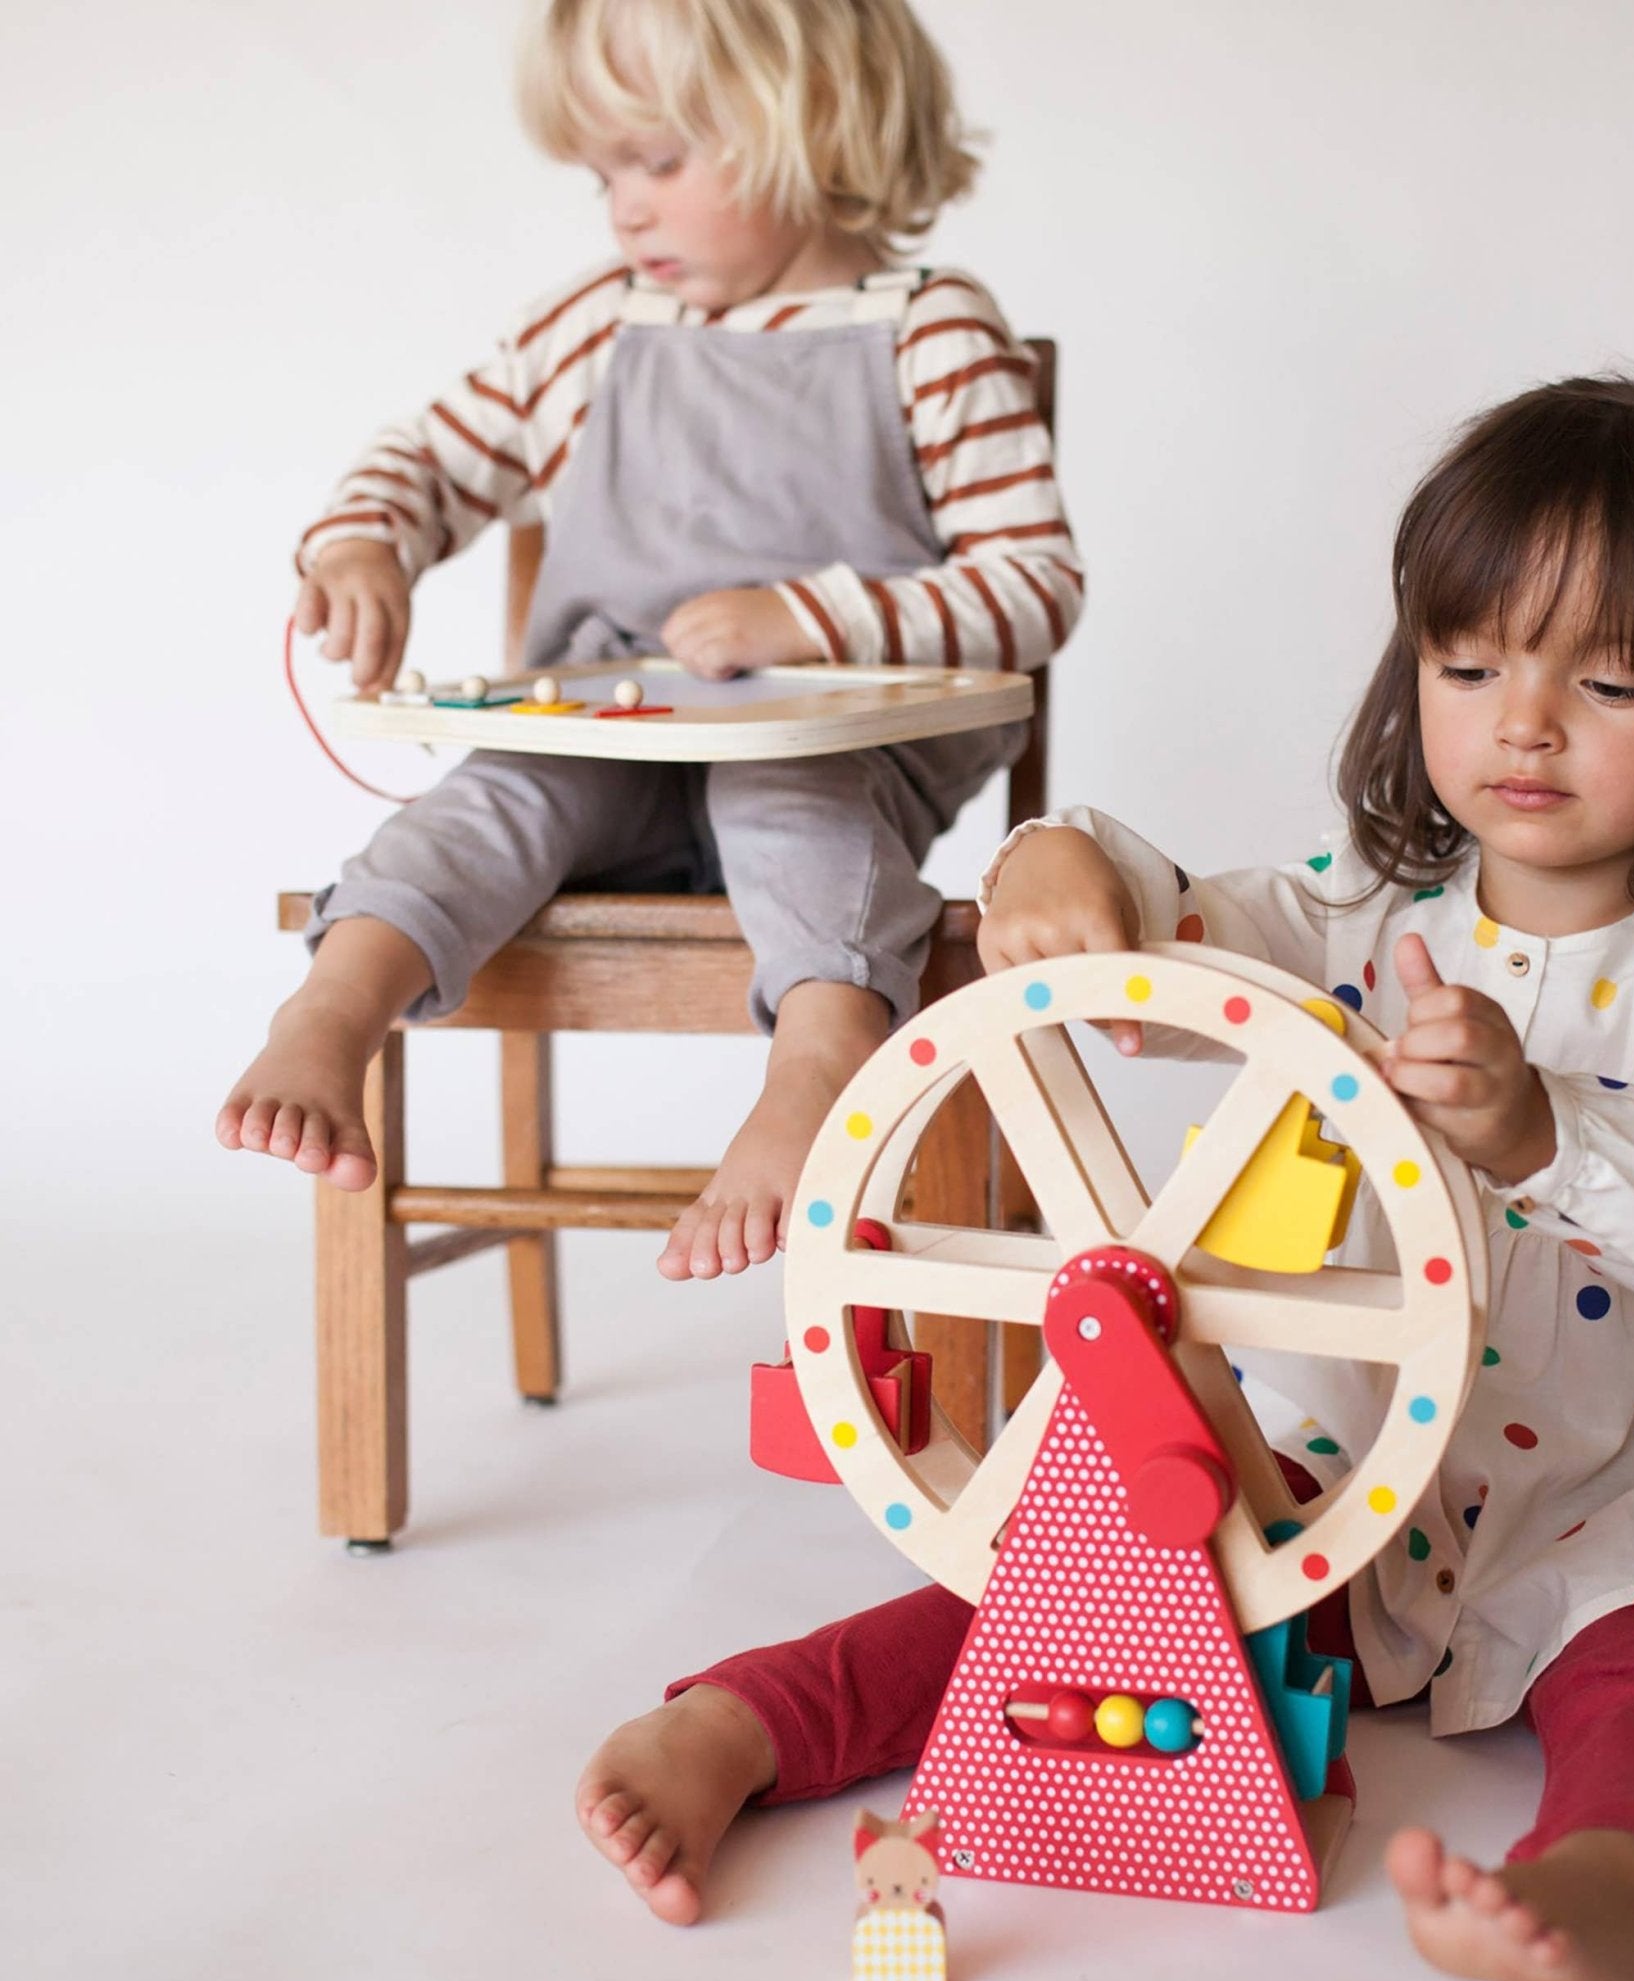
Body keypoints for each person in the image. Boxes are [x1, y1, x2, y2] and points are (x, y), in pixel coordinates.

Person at [575, 376, 1634, 1981]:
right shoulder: (1358, 916)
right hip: (1348, 1471)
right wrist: (1063, 869)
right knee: (1089, 1571)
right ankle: (748, 1723)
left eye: (1608, 678)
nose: (1527, 723)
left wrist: (1537, 1125)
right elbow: (1166, 930)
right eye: (1471, 666)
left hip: (1633, 1487)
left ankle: (1615, 1895)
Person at [217, 0, 1081, 1282]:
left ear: (814, 124)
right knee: (495, 798)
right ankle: (333, 1008)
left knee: (789, 795)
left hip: (834, 750)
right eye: (604, 174)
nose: (624, 209)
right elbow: (428, 458)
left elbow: (1033, 585)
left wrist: (801, 620)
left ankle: (819, 1058)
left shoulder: (931, 332)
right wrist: (361, 546)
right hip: (606, 746)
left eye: (660, 161)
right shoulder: (587, 328)